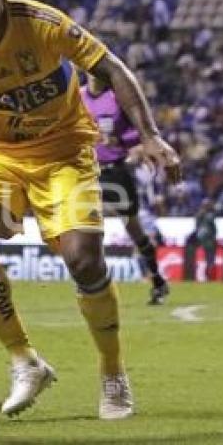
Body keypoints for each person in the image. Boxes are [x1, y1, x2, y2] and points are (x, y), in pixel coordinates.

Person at [0, 0, 180, 421]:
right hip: (1, 156)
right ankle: (25, 361)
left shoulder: (42, 23)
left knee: (84, 259)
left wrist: (150, 135)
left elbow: (112, 68)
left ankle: (112, 371)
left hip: (65, 153)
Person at [80, 74, 170, 304]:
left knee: (134, 228)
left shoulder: (116, 98)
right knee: (85, 228)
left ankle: (157, 280)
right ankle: (90, 285)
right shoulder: (78, 97)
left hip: (116, 171)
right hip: (87, 172)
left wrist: (119, 140)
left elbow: (138, 132)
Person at [183, 198, 218, 280]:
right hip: (206, 241)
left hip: (206, 241)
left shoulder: (206, 215)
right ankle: (205, 276)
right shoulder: (207, 215)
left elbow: (211, 229)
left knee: (209, 260)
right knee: (209, 259)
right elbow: (212, 229)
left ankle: (208, 276)